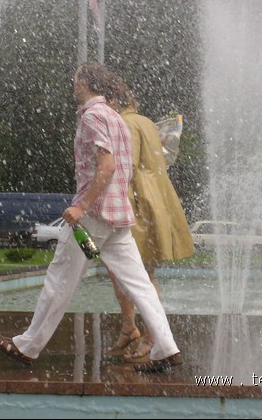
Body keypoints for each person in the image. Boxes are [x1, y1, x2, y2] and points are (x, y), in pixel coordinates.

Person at [0, 62, 182, 373]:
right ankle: (166, 348)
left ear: (87, 83)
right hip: (118, 217)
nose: (72, 83)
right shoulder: (117, 118)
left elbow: (105, 167)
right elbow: (125, 168)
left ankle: (27, 347)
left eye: (76, 78)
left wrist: (82, 207)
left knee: (59, 280)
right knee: (141, 285)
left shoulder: (93, 116)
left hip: (91, 217)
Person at [104, 75, 195, 362]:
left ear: (114, 100)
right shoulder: (143, 121)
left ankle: (151, 337)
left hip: (138, 202)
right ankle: (131, 327)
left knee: (140, 274)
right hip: (157, 198)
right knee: (126, 269)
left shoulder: (125, 124)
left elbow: (125, 167)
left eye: (105, 100)